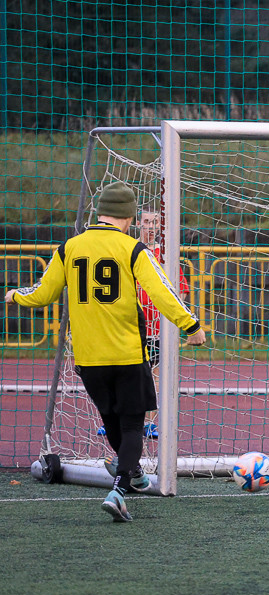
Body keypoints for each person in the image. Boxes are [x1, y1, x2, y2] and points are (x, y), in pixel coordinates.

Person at [5, 182, 206, 523]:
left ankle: (135, 475)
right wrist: (191, 326)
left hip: (88, 359)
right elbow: (162, 291)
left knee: (111, 420)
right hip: (127, 354)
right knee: (132, 427)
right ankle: (120, 489)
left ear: (99, 212)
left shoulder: (69, 247)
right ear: (128, 217)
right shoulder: (133, 248)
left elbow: (42, 294)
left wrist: (15, 296)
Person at [134, 209, 191, 439]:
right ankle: (117, 421)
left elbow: (182, 290)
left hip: (156, 329)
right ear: (138, 223)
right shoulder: (130, 249)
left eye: (154, 223)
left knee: (152, 375)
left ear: (159, 227)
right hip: (129, 325)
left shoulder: (165, 255)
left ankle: (149, 423)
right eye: (146, 221)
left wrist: (170, 318)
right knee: (125, 374)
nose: (149, 226)